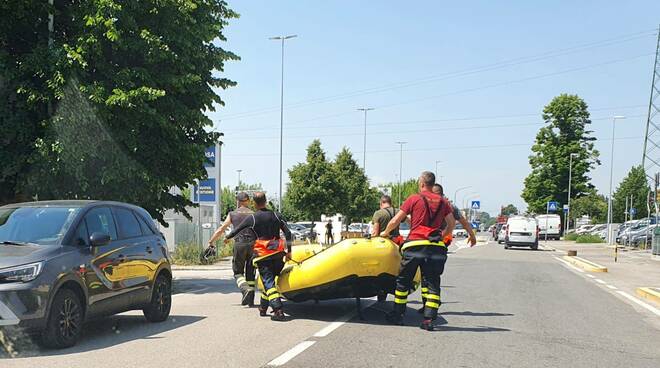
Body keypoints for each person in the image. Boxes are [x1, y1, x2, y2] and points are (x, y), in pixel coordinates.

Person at [380, 171, 455, 330]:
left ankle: (398, 315)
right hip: (435, 248)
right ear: (432, 184)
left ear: (421, 184)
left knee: (403, 282)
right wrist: (441, 235)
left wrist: (385, 232)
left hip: (415, 246)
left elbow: (395, 220)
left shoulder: (414, 199)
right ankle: (428, 319)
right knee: (433, 282)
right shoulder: (443, 202)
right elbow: (451, 224)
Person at [224, 192, 293, 321]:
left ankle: (278, 310)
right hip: (278, 254)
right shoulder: (277, 215)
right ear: (266, 201)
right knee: (271, 280)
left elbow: (237, 230)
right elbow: (288, 233)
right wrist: (289, 251)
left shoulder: (253, 218)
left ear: (254, 204)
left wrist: (227, 238)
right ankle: (263, 307)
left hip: (263, 255)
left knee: (268, 282)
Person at [414, 183, 477, 314]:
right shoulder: (449, 205)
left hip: (430, 241)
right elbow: (463, 221)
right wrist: (471, 235)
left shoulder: (433, 203)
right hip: (439, 242)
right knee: (430, 274)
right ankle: (428, 304)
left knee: (428, 274)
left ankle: (429, 304)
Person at [208, 192, 256, 306]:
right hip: (254, 245)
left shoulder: (233, 214)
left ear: (238, 202)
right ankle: (250, 300)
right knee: (251, 272)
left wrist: (211, 241)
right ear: (248, 201)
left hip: (239, 244)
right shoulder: (254, 214)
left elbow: (222, 228)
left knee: (238, 272)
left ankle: (245, 290)